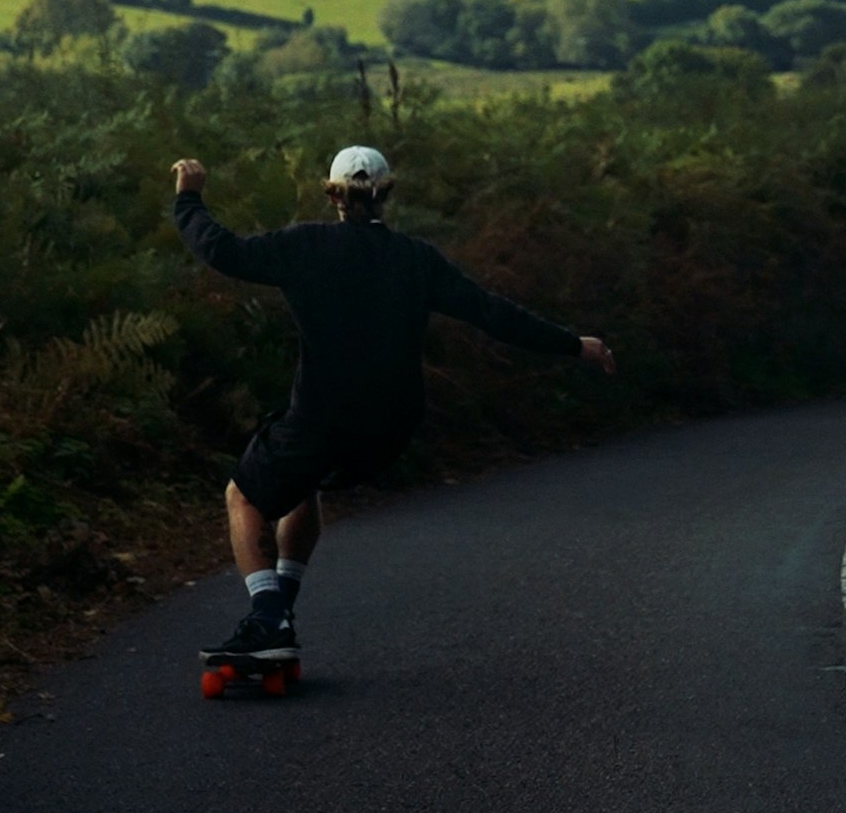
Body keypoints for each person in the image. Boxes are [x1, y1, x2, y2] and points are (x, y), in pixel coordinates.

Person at [171, 145, 616, 662]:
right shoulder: (417, 260)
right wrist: (573, 344)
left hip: (323, 417)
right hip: (393, 426)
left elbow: (221, 250)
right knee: (302, 481)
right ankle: (281, 612)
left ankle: (267, 620)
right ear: (388, 194)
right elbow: (492, 313)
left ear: (331, 194)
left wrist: (189, 200)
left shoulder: (303, 246)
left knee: (243, 497)